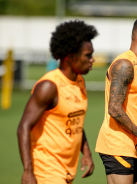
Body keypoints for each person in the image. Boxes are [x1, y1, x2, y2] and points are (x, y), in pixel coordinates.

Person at [17, 20, 98, 184]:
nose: (92, 60)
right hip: (45, 172)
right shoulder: (49, 86)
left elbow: (75, 122)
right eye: (88, 55)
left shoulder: (80, 82)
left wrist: (87, 153)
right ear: (70, 57)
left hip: (66, 172)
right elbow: (23, 127)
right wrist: (28, 172)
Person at [95, 17, 137, 184]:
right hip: (117, 145)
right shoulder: (125, 64)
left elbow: (132, 109)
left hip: (134, 146)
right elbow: (114, 109)